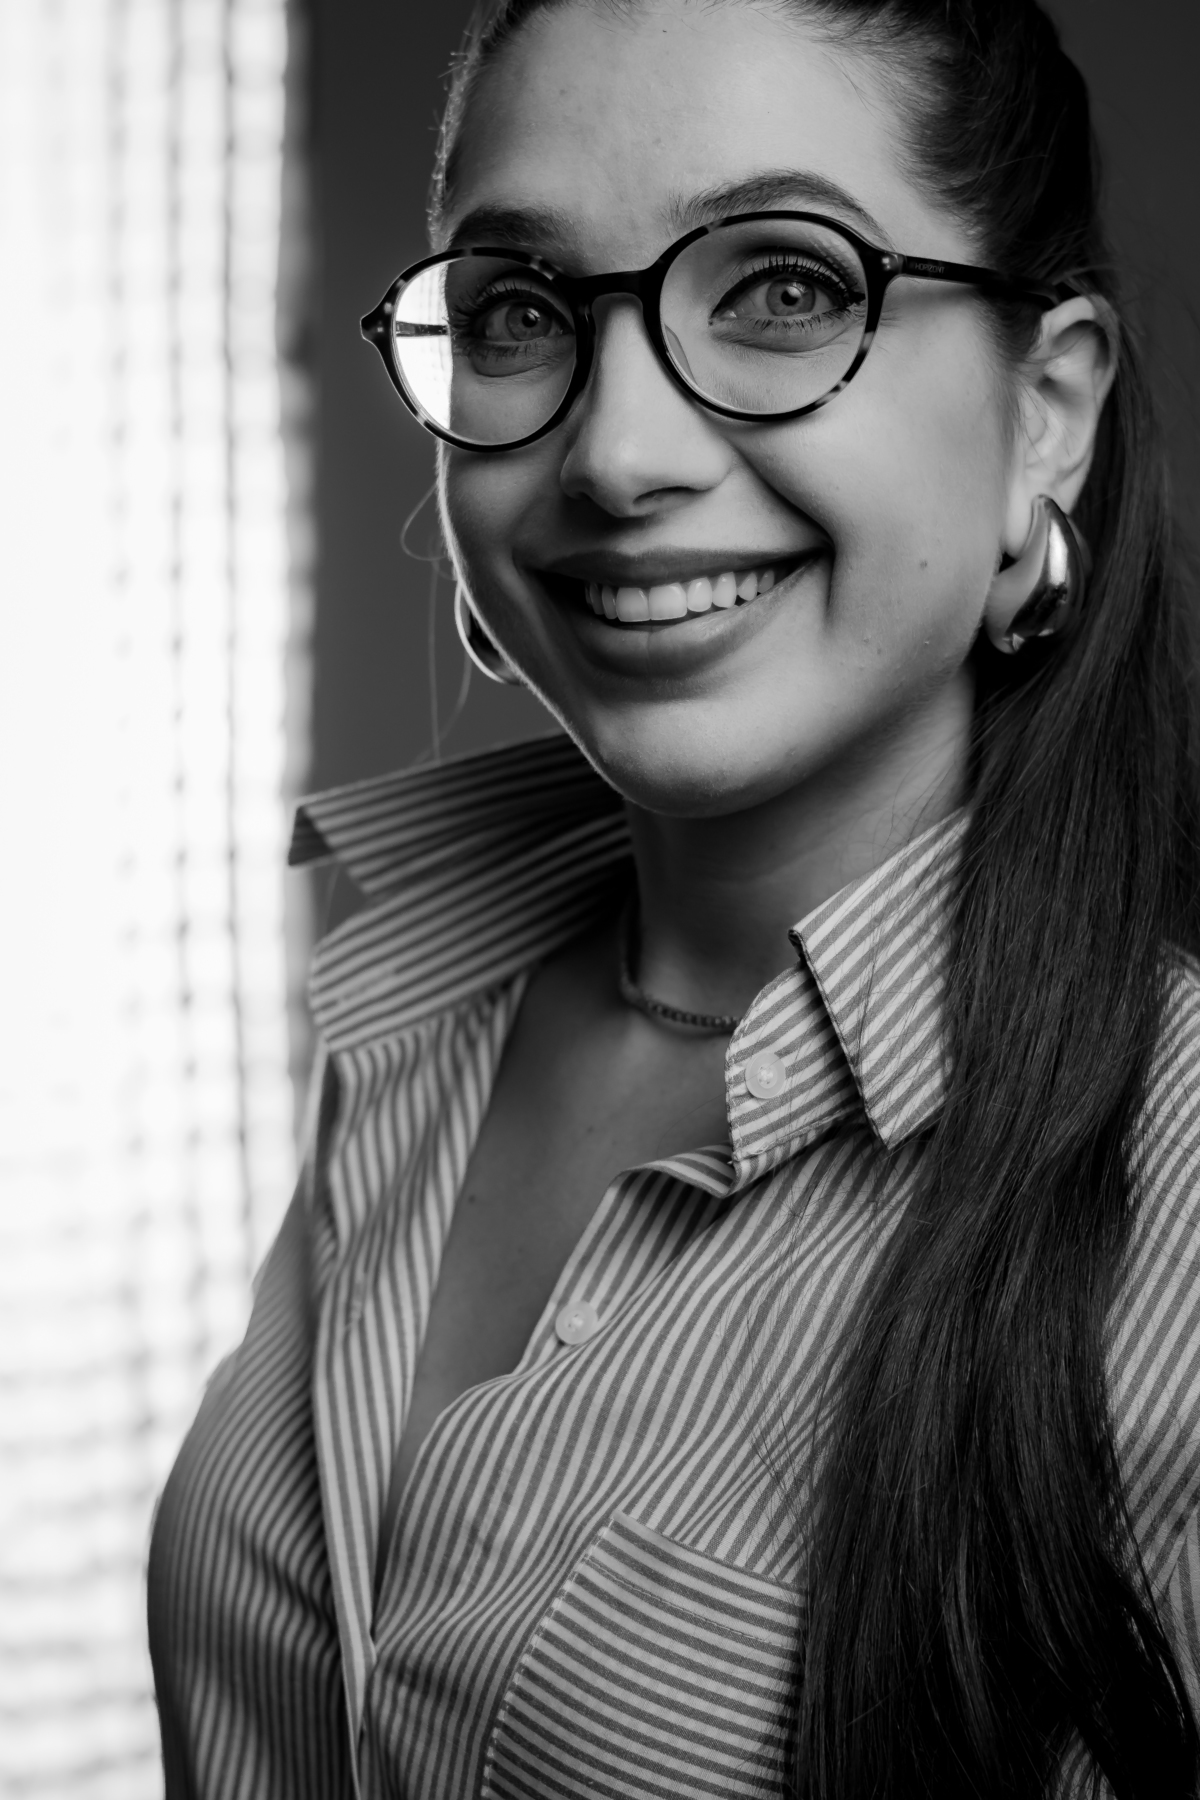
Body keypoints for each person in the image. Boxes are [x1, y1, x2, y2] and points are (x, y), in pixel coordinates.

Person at [146, 0, 1200, 1793]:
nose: (617, 454)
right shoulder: (419, 1008)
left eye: (783, 287)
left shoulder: (1172, 1213)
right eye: (521, 312)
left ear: (1046, 411)